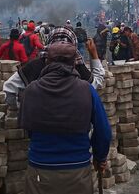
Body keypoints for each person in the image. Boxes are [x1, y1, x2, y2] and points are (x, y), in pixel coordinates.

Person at [20, 42, 111, 194]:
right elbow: (103, 131)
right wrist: (100, 157)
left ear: (47, 62)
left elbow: (27, 128)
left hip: (39, 169)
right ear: (74, 64)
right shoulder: (87, 90)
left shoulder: (31, 90)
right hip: (77, 169)